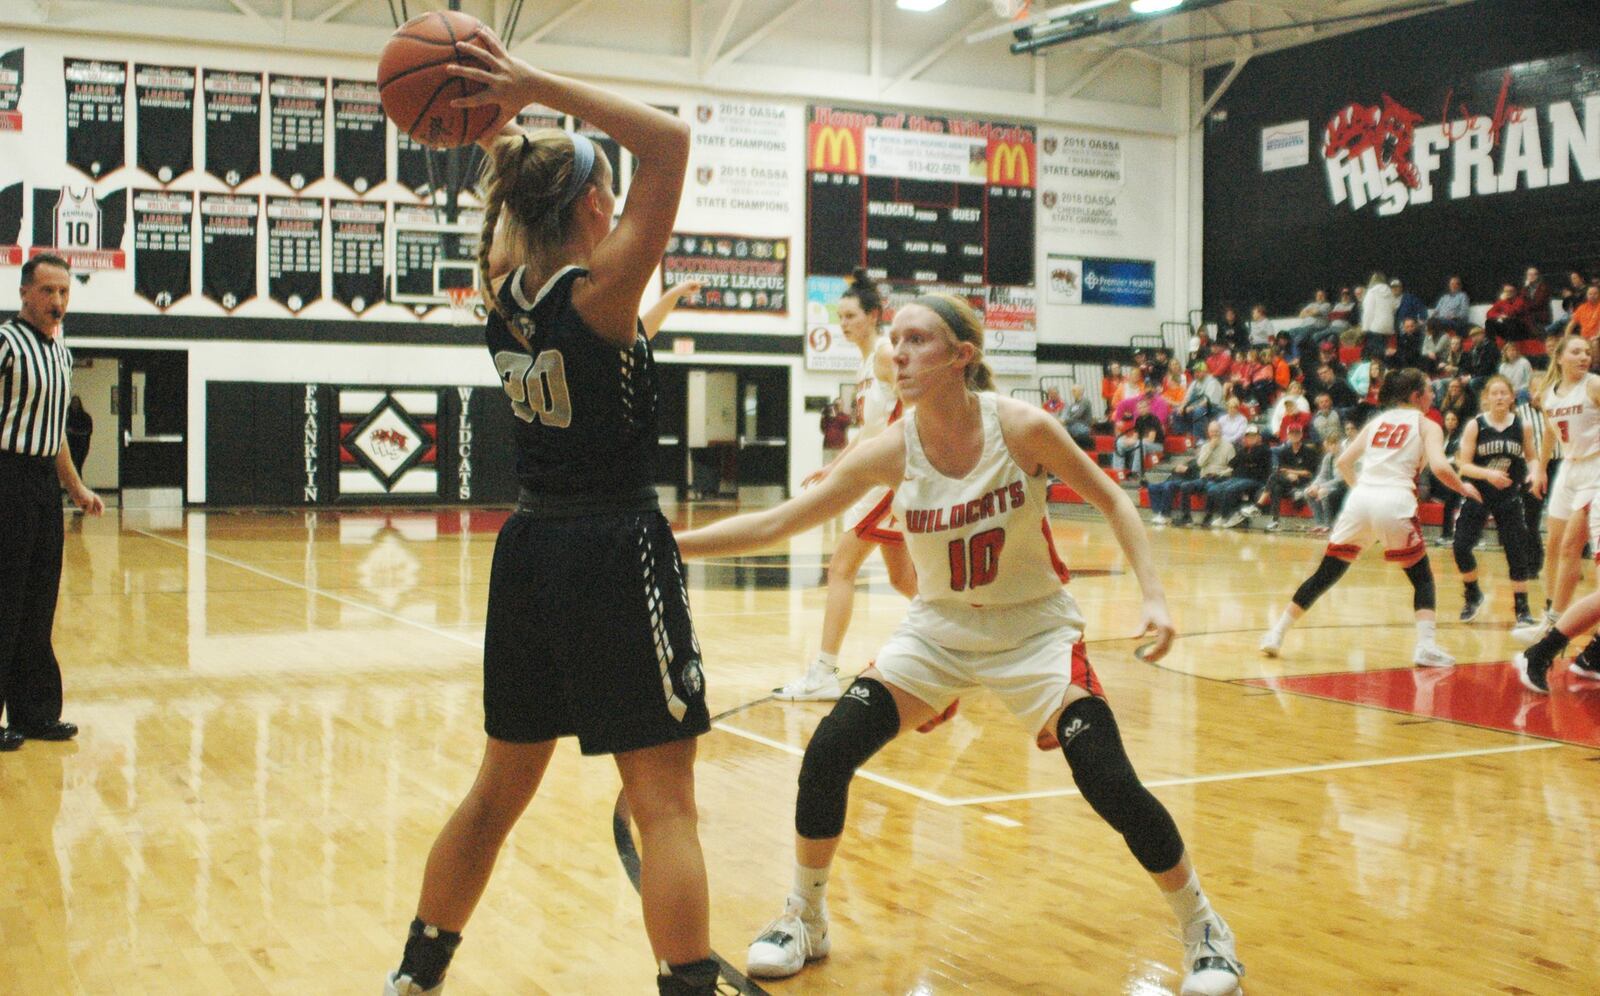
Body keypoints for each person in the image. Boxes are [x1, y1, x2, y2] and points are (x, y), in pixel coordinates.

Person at [673, 294, 1245, 995]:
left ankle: (1204, 929)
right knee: (828, 752)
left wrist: (1153, 594)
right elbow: (778, 524)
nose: (900, 353)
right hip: (938, 632)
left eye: (918, 340)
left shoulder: (1023, 428)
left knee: (1106, 775)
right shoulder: (888, 448)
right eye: (896, 341)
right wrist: (672, 544)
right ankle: (806, 916)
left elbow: (1114, 500)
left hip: (1033, 630)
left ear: (960, 357)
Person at [382, 34, 721, 996]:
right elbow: (673, 141)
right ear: (596, 204)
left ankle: (415, 974)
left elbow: (590, 353)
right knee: (664, 807)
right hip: (612, 547)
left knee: (496, 793)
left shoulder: (504, 295)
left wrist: (509, 129)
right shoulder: (606, 289)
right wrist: (530, 88)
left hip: (529, 549)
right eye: (609, 190)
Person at [1259, 369, 1479, 666]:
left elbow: (1343, 461)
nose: (1432, 395)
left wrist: (1362, 490)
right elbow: (1441, 469)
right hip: (1395, 500)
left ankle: (1276, 633)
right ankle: (1426, 646)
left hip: (1361, 500)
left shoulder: (1377, 421)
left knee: (1325, 574)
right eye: (1428, 390)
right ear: (1415, 395)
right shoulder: (1428, 425)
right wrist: (1464, 488)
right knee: (1423, 579)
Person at [777, 268, 917, 701]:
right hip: (876, 475)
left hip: (889, 479)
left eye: (851, 315)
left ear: (874, 315)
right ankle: (972, 634)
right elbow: (871, 428)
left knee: (841, 568)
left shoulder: (882, 354)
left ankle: (823, 671)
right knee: (902, 578)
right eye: (839, 316)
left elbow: (917, 406)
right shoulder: (863, 362)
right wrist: (836, 464)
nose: (844, 323)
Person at [0, 253, 104, 753]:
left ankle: (35, 712)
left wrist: (76, 487)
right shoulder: (5, 345)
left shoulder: (61, 353)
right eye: (47, 292)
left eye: (64, 292)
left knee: (39, 602)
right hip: (5, 477)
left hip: (42, 485)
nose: (57, 302)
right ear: (24, 292)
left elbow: (55, 432)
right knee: (5, 600)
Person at [1511, 335, 1600, 646]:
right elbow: (1549, 434)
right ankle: (1550, 615)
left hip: (1595, 468)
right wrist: (1539, 469)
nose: (1583, 356)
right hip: (1568, 469)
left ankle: (1556, 629)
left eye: (1587, 352)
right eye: (1576, 351)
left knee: (1569, 548)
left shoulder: (1594, 385)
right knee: (1553, 546)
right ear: (1560, 357)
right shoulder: (1549, 394)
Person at [1453, 376, 1539, 625]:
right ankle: (1472, 594)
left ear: (1512, 397)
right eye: (1495, 393)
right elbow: (1464, 466)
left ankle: (1522, 607)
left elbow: (1532, 457)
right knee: (1460, 547)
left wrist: (1534, 471)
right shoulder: (1475, 425)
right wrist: (1488, 474)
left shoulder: (1522, 426)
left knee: (1516, 552)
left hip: (1509, 497)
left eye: (1504, 393)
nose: (1500, 397)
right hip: (1478, 494)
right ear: (1487, 398)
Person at [1254, 422, 1319, 530]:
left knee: (1274, 479)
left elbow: (1310, 473)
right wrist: (1288, 474)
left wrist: (1293, 472)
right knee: (1276, 487)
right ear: (1288, 435)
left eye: (1297, 433)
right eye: (1292, 433)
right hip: (1288, 482)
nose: (1295, 435)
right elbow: (1281, 470)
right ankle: (1275, 522)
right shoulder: (1284, 452)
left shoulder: (1309, 451)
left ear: (1301, 435)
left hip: (1304, 482)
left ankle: (1259, 505)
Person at [1361, 272, 1397, 358]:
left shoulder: (1371, 292)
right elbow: (1394, 308)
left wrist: (1365, 328)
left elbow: (1368, 311)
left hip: (1375, 326)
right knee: (1384, 350)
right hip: (1388, 327)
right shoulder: (1390, 293)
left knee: (1375, 351)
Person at [65, 395, 92, 481]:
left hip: (81, 446)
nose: (74, 405)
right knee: (73, 467)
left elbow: (88, 431)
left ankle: (78, 486)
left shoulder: (85, 417)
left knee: (77, 466)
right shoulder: (67, 417)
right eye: (73, 402)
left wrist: (74, 432)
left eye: (76, 402)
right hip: (69, 445)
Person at [1059, 383, 1095, 449]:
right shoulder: (1073, 404)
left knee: (1063, 429)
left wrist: (1065, 422)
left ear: (1081, 392)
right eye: (1072, 391)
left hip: (1083, 426)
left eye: (1074, 391)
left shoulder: (1085, 402)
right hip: (1073, 425)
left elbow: (1077, 415)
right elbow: (1069, 415)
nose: (1072, 393)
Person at [819, 401, 851, 465]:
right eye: (836, 405)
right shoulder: (827, 417)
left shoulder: (843, 416)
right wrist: (824, 416)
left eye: (839, 405)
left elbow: (847, 422)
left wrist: (837, 415)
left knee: (839, 466)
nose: (837, 406)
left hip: (839, 446)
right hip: (828, 446)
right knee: (826, 465)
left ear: (842, 406)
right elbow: (823, 428)